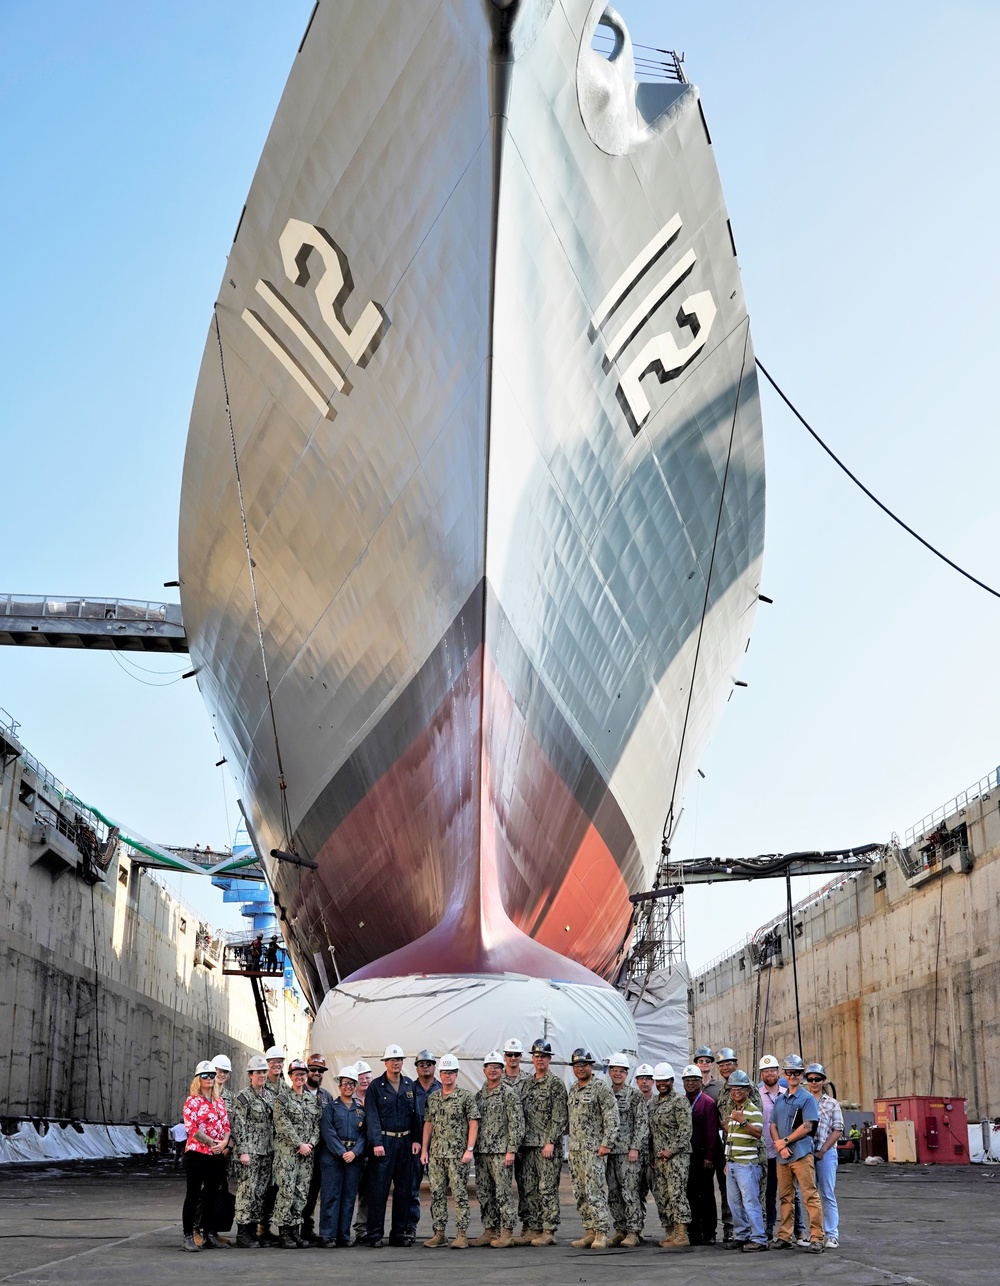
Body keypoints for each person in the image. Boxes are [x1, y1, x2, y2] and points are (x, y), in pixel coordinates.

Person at [363, 1043, 421, 1246]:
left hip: (405, 1142)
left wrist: (416, 1139)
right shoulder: (376, 1087)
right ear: (385, 1063)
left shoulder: (409, 1085)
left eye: (399, 1060)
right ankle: (374, 1234)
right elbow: (372, 1116)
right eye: (392, 1060)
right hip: (384, 1144)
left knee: (404, 1190)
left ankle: (398, 1234)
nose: (396, 1063)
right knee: (379, 1190)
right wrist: (377, 1142)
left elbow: (416, 1114)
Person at [420, 1054, 480, 1248]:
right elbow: (428, 1124)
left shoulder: (465, 1097)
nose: (447, 1076)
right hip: (437, 1155)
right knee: (436, 1194)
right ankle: (439, 1233)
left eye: (451, 1072)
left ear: (456, 1074)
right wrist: (424, 1149)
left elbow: (473, 1123)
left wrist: (469, 1149)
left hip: (457, 1156)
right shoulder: (434, 1098)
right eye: (444, 1072)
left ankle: (461, 1234)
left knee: (459, 1194)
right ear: (440, 1073)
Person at [516, 1037, 568, 1247]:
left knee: (547, 1188)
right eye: (537, 1056)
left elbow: (560, 1115)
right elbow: (521, 1115)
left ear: (549, 1059)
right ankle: (533, 1227)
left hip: (547, 1146)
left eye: (544, 1057)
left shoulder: (555, 1084)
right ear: (532, 1058)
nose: (540, 1060)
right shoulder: (527, 1083)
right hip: (528, 1146)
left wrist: (551, 1141)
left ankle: (548, 1230)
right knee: (529, 1188)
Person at [770, 1054, 824, 1253]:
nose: (793, 1076)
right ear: (785, 1074)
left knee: (810, 1195)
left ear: (802, 1075)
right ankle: (785, 1236)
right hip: (783, 1156)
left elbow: (808, 1126)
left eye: (797, 1073)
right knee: (785, 1197)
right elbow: (773, 1124)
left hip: (801, 1154)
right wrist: (781, 1146)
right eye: (790, 1072)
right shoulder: (780, 1099)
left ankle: (817, 1237)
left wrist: (785, 1141)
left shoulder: (807, 1098)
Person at [566, 1047, 617, 1251]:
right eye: (576, 1065)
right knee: (580, 1192)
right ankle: (589, 1230)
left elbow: (611, 1117)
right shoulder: (573, 1089)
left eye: (583, 1065)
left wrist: (606, 1143)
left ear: (590, 1066)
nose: (579, 1069)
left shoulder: (600, 1087)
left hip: (594, 1150)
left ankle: (601, 1232)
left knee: (594, 1191)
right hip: (576, 1149)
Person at [472, 1050, 525, 1248]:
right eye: (490, 1067)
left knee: (503, 1193)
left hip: (501, 1153)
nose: (493, 1071)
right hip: (482, 1152)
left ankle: (507, 1232)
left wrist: (511, 1150)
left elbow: (517, 1123)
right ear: (484, 1070)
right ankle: (489, 1229)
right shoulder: (480, 1095)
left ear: (502, 1071)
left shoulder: (508, 1094)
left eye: (497, 1067)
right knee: (485, 1193)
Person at [181, 1060, 231, 1252]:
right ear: (198, 1079)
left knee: (212, 1195)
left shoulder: (219, 1102)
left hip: (216, 1154)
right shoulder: (192, 1101)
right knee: (193, 1195)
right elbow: (191, 1129)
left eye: (212, 1075)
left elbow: (226, 1126)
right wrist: (212, 1143)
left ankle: (210, 1233)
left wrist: (224, 1142)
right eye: (205, 1075)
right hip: (197, 1153)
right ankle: (188, 1235)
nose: (209, 1078)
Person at [271, 1057, 321, 1248]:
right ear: (290, 1076)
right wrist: (299, 1144)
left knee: (301, 1193)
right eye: (296, 1074)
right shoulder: (282, 1099)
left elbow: (317, 1124)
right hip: (288, 1155)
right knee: (286, 1192)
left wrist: (311, 1143)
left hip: (306, 1155)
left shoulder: (311, 1099)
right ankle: (284, 1232)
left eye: (302, 1074)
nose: (300, 1077)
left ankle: (294, 1229)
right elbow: (282, 1125)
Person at [317, 1066, 367, 1247]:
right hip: (333, 1158)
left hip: (354, 1158)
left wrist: (354, 1152)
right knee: (331, 1196)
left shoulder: (361, 1109)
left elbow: (365, 1134)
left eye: (351, 1083)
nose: (348, 1086)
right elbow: (328, 1132)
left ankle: (343, 1235)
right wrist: (342, 1152)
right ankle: (327, 1235)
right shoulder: (331, 1108)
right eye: (345, 1083)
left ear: (355, 1086)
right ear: (339, 1085)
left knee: (348, 1197)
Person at [230, 1054, 274, 1248]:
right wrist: (243, 1151)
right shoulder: (243, 1097)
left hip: (266, 1152)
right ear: (250, 1074)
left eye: (264, 1071)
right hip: (250, 1152)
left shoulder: (270, 1096)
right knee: (246, 1191)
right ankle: (242, 1232)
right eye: (258, 1072)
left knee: (260, 1192)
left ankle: (254, 1230)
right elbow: (238, 1126)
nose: (262, 1075)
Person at [648, 1061, 692, 1249]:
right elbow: (650, 1132)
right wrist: (652, 1155)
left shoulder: (679, 1101)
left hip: (677, 1158)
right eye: (659, 1081)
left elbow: (686, 1130)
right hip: (659, 1159)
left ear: (672, 1081)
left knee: (677, 1195)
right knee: (663, 1196)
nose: (662, 1084)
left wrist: (671, 1150)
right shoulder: (652, 1103)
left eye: (665, 1080)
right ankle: (671, 1232)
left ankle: (682, 1234)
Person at [605, 1053, 648, 1248]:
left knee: (630, 1192)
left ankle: (634, 1231)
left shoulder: (634, 1095)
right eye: (614, 1070)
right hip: (609, 1151)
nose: (617, 1074)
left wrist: (635, 1148)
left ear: (627, 1073)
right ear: (609, 1072)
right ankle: (620, 1229)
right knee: (613, 1193)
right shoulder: (605, 1093)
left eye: (621, 1071)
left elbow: (641, 1124)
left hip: (627, 1152)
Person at [721, 1070, 767, 1251]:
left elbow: (758, 1133)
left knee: (750, 1202)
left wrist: (742, 1122)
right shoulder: (735, 1112)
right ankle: (742, 1236)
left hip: (746, 1165)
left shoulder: (753, 1111)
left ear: (748, 1090)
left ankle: (759, 1238)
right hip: (733, 1164)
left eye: (739, 1088)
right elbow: (731, 1139)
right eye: (732, 1089)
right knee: (735, 1203)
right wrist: (728, 1161)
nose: (735, 1092)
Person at [681, 1062, 721, 1245]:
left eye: (694, 1080)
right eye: (687, 1080)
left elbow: (712, 1131)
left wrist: (709, 1156)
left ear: (700, 1082)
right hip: (686, 1156)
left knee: (706, 1194)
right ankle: (694, 1231)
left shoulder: (707, 1103)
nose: (690, 1083)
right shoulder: (681, 1102)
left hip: (703, 1155)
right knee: (690, 1194)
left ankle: (710, 1232)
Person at [805, 1063, 843, 1249]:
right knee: (809, 1195)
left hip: (825, 1154)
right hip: (805, 1155)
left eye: (817, 1079)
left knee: (827, 1194)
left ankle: (832, 1234)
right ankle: (813, 1233)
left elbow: (838, 1129)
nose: (813, 1082)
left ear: (823, 1080)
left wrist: (822, 1151)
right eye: (810, 1079)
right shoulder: (803, 1100)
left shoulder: (831, 1103)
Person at [409, 1049, 441, 1240]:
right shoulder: (409, 1089)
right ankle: (410, 1227)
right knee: (412, 1188)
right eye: (422, 1064)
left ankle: (439, 1230)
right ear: (417, 1068)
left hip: (437, 1146)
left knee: (437, 1189)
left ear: (434, 1067)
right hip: (416, 1146)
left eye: (429, 1064)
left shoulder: (442, 1088)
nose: (425, 1067)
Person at [301, 1054, 334, 1243]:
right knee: (298, 1192)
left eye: (320, 1071)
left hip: (320, 1152)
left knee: (313, 1192)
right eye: (313, 1070)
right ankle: (292, 1229)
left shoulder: (326, 1096)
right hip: (301, 1152)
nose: (316, 1073)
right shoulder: (297, 1092)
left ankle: (307, 1229)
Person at [501, 1038, 531, 1237]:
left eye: (516, 1055)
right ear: (504, 1056)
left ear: (521, 1057)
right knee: (501, 1188)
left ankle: (528, 1226)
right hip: (502, 1145)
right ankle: (500, 1228)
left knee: (527, 1187)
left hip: (527, 1143)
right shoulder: (495, 1079)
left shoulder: (529, 1081)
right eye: (509, 1055)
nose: (513, 1058)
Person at [258, 1045, 287, 1245]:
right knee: (260, 1187)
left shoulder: (285, 1087)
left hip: (281, 1147)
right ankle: (257, 1228)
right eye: (272, 1062)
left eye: (279, 1061)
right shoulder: (260, 1085)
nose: (276, 1065)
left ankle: (266, 1226)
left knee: (275, 1187)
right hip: (263, 1145)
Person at [757, 1054, 784, 1241]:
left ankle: (795, 1230)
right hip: (765, 1152)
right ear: (761, 1074)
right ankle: (768, 1228)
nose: (770, 1073)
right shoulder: (756, 1097)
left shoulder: (788, 1093)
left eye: (773, 1070)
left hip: (785, 1153)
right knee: (767, 1194)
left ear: (778, 1072)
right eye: (766, 1071)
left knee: (791, 1194)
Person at [633, 1062, 656, 1241]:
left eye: (648, 1078)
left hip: (655, 1157)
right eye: (641, 1078)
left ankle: (671, 1231)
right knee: (635, 1194)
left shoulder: (658, 1102)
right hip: (636, 1156)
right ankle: (636, 1230)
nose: (644, 1082)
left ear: (653, 1081)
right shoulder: (632, 1101)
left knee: (660, 1193)